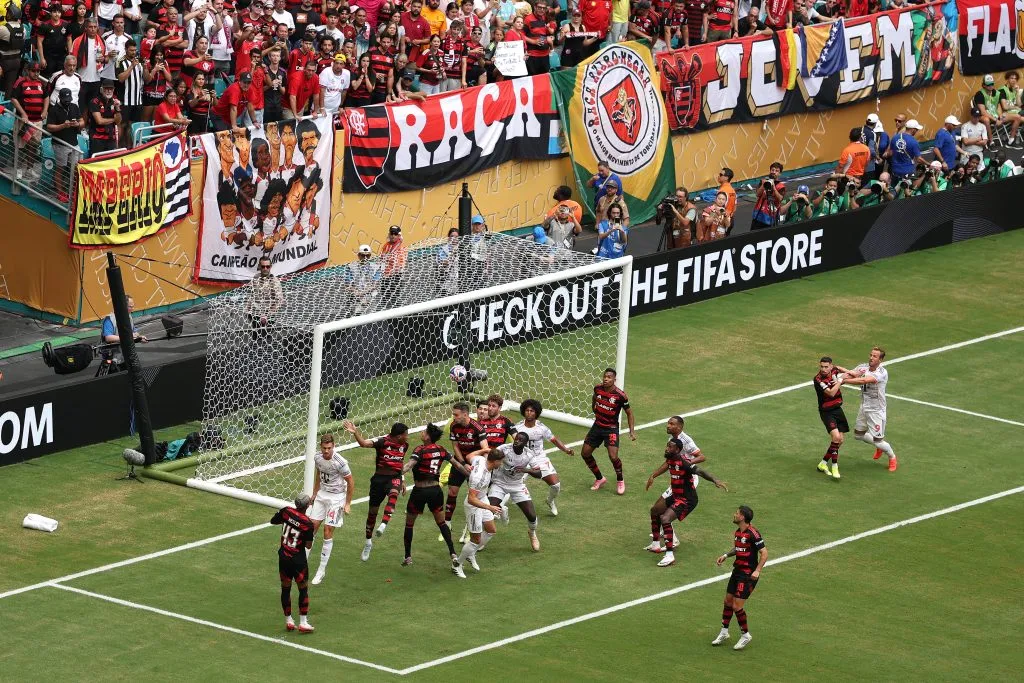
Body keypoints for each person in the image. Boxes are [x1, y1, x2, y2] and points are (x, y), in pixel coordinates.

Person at [644, 437, 728, 567]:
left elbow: (700, 471)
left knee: (665, 518)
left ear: (677, 449)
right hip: (676, 495)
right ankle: (655, 544)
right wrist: (653, 476)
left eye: (670, 446)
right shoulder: (670, 459)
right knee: (654, 510)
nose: (667, 448)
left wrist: (715, 480)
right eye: (667, 445)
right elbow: (666, 465)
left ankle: (670, 555)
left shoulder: (684, 463)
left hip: (687, 499)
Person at [400, 423, 469, 571]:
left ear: (428, 436)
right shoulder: (441, 450)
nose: (422, 433)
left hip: (419, 491)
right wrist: (470, 475)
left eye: (424, 431)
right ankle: (453, 553)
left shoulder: (420, 449)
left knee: (409, 524)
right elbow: (457, 465)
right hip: (435, 491)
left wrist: (396, 474)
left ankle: (407, 556)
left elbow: (409, 465)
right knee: (441, 523)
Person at [342, 420, 410, 562]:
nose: (407, 437)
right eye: (406, 434)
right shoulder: (382, 442)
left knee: (394, 494)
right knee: (372, 513)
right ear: (399, 436)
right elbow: (364, 444)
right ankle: (368, 542)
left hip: (394, 478)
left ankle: (384, 524)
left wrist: (402, 479)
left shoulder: (405, 445)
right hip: (379, 480)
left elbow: (400, 462)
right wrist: (356, 433)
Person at [643, 416, 706, 553]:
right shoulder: (672, 441)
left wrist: (685, 466)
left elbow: (701, 456)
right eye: (668, 423)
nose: (668, 425)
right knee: (657, 508)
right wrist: (653, 475)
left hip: (687, 479)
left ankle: (672, 539)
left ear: (679, 427)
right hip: (679, 478)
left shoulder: (686, 440)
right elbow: (668, 462)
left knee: (665, 509)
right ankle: (661, 537)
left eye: (671, 424)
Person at [712, 505, 767, 650]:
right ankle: (724, 632)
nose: (734, 514)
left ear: (743, 517)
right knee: (728, 601)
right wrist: (725, 555)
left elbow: (764, 553)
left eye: (737, 513)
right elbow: (739, 548)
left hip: (747, 575)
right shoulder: (738, 532)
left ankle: (745, 635)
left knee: (737, 606)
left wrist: (757, 571)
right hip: (737, 571)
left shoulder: (753, 533)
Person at [839, 346, 897, 471]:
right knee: (858, 435)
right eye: (871, 355)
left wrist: (845, 381)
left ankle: (892, 457)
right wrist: (838, 372)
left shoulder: (882, 373)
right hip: (864, 406)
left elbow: (864, 380)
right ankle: (879, 447)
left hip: (877, 410)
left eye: (875, 356)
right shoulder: (863, 366)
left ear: (880, 360)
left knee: (879, 441)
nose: (871, 357)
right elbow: (852, 373)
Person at [513, 398, 574, 517]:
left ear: (536, 413)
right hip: (523, 459)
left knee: (555, 485)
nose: (529, 413)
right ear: (523, 412)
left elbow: (554, 440)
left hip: (539, 459)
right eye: (527, 410)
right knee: (510, 485)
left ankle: (550, 501)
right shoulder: (518, 428)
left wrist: (566, 450)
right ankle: (497, 509)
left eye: (532, 411)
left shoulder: (542, 427)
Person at [308, 432, 355, 585]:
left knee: (327, 530)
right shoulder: (317, 458)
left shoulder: (340, 462)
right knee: (311, 528)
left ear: (333, 446)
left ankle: (321, 570)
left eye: (329, 448)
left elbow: (351, 482)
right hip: (322, 495)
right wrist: (315, 493)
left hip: (336, 498)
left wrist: (347, 503)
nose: (326, 451)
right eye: (324, 448)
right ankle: (303, 562)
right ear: (320, 447)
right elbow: (318, 474)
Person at [580, 368, 636, 494]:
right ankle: (600, 478)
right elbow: (594, 398)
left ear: (614, 380)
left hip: (611, 429)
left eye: (609, 377)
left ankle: (620, 480)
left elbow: (629, 413)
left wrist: (631, 431)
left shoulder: (620, 396)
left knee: (613, 456)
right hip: (597, 426)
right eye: (605, 376)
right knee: (585, 454)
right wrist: (594, 407)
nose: (606, 379)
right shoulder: (598, 388)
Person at [455, 448, 505, 576]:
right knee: (475, 540)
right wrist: (490, 508)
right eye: (501, 462)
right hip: (474, 506)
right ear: (495, 462)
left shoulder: (480, 459)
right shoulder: (479, 477)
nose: (501, 464)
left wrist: (485, 449)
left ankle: (470, 554)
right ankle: (457, 564)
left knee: (491, 530)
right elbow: (471, 499)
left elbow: (469, 455)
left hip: (483, 499)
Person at [487, 431, 541, 551]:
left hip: (517, 485)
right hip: (499, 483)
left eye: (520, 440)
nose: (517, 441)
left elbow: (539, 473)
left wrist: (526, 470)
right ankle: (481, 540)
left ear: (525, 443)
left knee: (532, 516)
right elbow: (491, 459)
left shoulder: (529, 454)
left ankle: (532, 533)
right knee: (488, 511)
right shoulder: (504, 449)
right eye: (516, 439)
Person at [270, 493, 315, 634]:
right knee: (303, 589)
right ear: (307, 506)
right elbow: (308, 546)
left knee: (285, 588)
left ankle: (289, 620)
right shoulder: (307, 524)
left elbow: (273, 521)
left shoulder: (286, 511)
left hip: (283, 556)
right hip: (298, 560)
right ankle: (303, 622)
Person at [445, 401, 488, 535]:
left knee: (474, 496)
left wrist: (481, 467)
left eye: (456, 415)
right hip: (460, 463)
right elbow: (455, 446)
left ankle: (474, 525)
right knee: (452, 491)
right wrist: (463, 463)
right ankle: (447, 522)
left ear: (465, 414)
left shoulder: (477, 428)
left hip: (474, 464)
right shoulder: (454, 425)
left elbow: (485, 449)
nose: (454, 417)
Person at [46, 86, 84, 204]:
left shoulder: (74, 106)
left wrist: (77, 124)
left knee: (77, 168)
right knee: (61, 168)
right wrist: (63, 125)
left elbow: (82, 121)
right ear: (60, 98)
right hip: (60, 144)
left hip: (74, 143)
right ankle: (60, 192)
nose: (67, 102)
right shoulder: (54, 110)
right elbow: (49, 127)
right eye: (65, 100)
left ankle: (73, 191)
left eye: (69, 99)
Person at [11, 61, 48, 182]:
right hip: (24, 121)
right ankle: (19, 170)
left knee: (34, 146)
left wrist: (45, 111)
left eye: (38, 71)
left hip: (37, 121)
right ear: (28, 70)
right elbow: (13, 99)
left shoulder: (41, 83)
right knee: (21, 146)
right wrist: (23, 113)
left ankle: (29, 169)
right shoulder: (20, 82)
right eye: (34, 71)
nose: (36, 73)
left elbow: (46, 97)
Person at [814, 356, 848, 480]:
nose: (823, 369)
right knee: (836, 437)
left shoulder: (835, 370)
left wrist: (845, 373)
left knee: (840, 441)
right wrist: (840, 381)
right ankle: (834, 466)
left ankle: (823, 464)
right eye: (821, 366)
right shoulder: (818, 379)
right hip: (826, 411)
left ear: (831, 366)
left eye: (826, 367)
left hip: (838, 409)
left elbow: (848, 373)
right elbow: (831, 393)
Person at [245, 255, 285, 326]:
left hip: (268, 315)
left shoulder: (274, 281)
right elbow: (252, 294)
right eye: (263, 266)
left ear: (271, 266)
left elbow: (279, 300)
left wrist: (267, 315)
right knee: (255, 335)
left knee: (266, 336)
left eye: (267, 266)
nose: (265, 269)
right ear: (259, 266)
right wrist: (248, 308)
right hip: (256, 313)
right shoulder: (256, 278)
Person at [87, 77, 121, 157]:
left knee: (110, 162)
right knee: (96, 162)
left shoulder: (115, 101)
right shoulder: (94, 102)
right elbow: (99, 121)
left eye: (111, 89)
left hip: (110, 138)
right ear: (101, 89)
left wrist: (118, 108)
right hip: (97, 139)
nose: (109, 91)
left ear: (113, 89)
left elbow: (118, 121)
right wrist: (114, 119)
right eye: (106, 89)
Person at [750, 161, 784, 230]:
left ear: (780, 173)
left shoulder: (781, 186)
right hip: (758, 215)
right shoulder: (763, 181)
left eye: (777, 171)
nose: (774, 172)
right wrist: (763, 185)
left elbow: (780, 199)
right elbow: (757, 194)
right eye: (772, 170)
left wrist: (774, 188)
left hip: (770, 217)